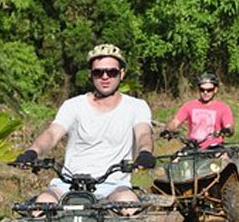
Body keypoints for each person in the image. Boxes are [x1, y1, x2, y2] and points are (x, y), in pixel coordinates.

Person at [14, 43, 155, 204]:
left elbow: (143, 133)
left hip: (114, 185)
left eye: (112, 72)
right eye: (98, 72)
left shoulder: (136, 106)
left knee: (127, 203)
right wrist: (32, 152)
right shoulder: (73, 105)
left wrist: (145, 153)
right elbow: (52, 133)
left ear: (121, 74)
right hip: (70, 184)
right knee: (42, 204)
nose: (105, 77)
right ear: (91, 74)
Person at [162, 72, 234, 148]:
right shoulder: (189, 106)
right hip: (193, 146)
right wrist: (168, 130)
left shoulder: (223, 107)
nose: (205, 93)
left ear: (215, 90)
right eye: (202, 89)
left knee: (223, 159)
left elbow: (229, 126)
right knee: (176, 159)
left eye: (209, 90)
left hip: (215, 147)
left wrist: (227, 130)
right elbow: (176, 121)